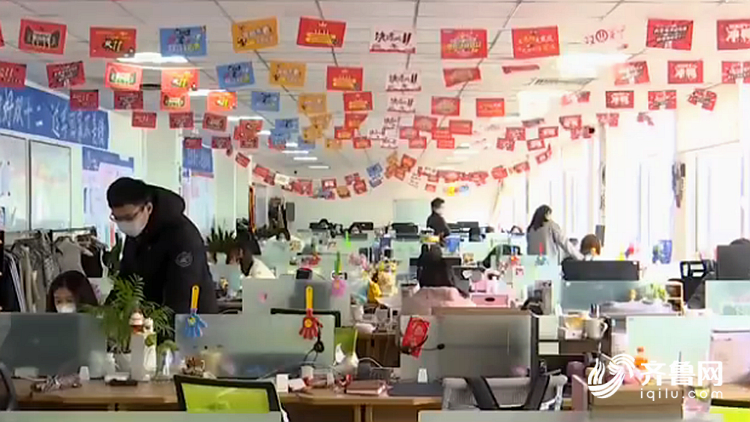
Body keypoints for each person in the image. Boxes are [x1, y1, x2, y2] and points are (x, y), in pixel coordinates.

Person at [106, 177, 217, 314]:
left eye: (129, 217)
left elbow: (181, 295)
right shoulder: (137, 232)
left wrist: (158, 324)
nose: (124, 223)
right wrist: (105, 314)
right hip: (152, 317)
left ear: (148, 208)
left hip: (192, 319)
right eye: (118, 218)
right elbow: (126, 280)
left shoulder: (182, 235)